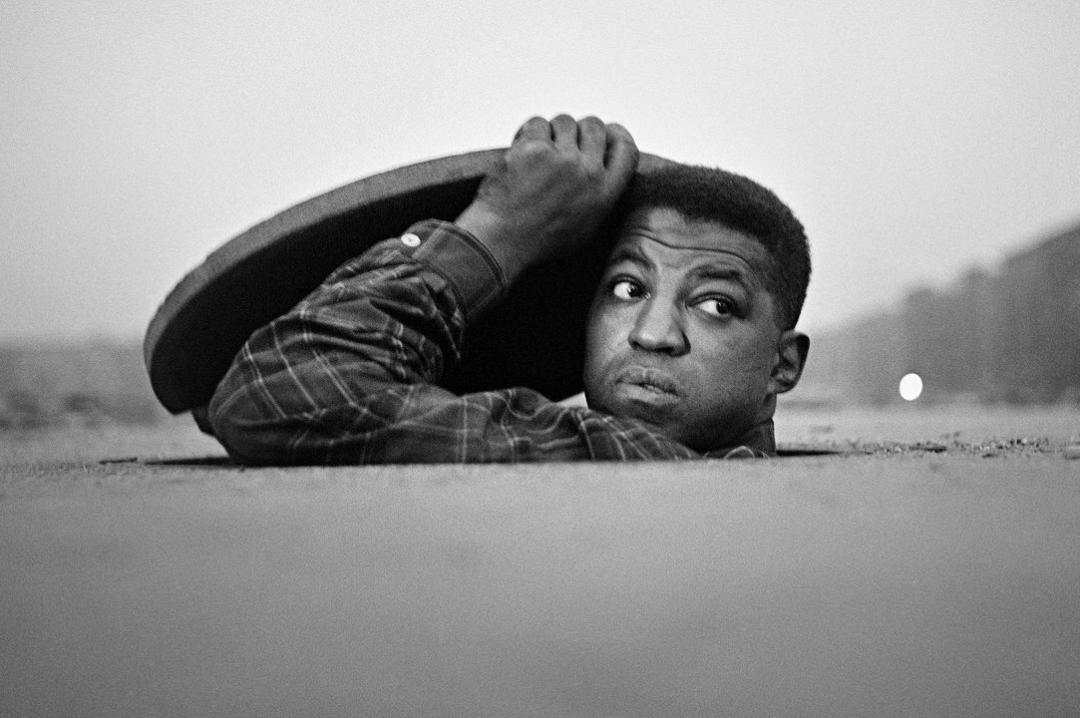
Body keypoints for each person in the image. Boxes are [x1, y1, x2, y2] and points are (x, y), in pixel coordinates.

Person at [207, 115, 810, 464]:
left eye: (715, 305)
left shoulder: (617, 452)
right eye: (628, 289)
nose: (652, 336)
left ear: (783, 365)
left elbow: (272, 396)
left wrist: (499, 227)